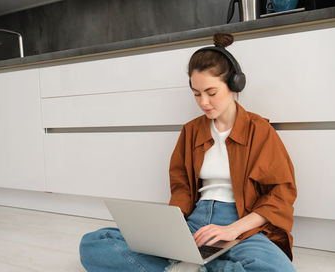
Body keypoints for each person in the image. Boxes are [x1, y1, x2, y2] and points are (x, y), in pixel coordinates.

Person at [79, 33, 297, 272]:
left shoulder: (260, 131)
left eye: (211, 93)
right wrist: (172, 232)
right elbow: (181, 186)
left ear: (234, 85)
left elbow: (280, 196)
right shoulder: (191, 131)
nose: (204, 102)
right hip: (195, 222)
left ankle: (188, 266)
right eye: (196, 93)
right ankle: (197, 263)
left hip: (242, 226)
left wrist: (231, 230)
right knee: (94, 244)